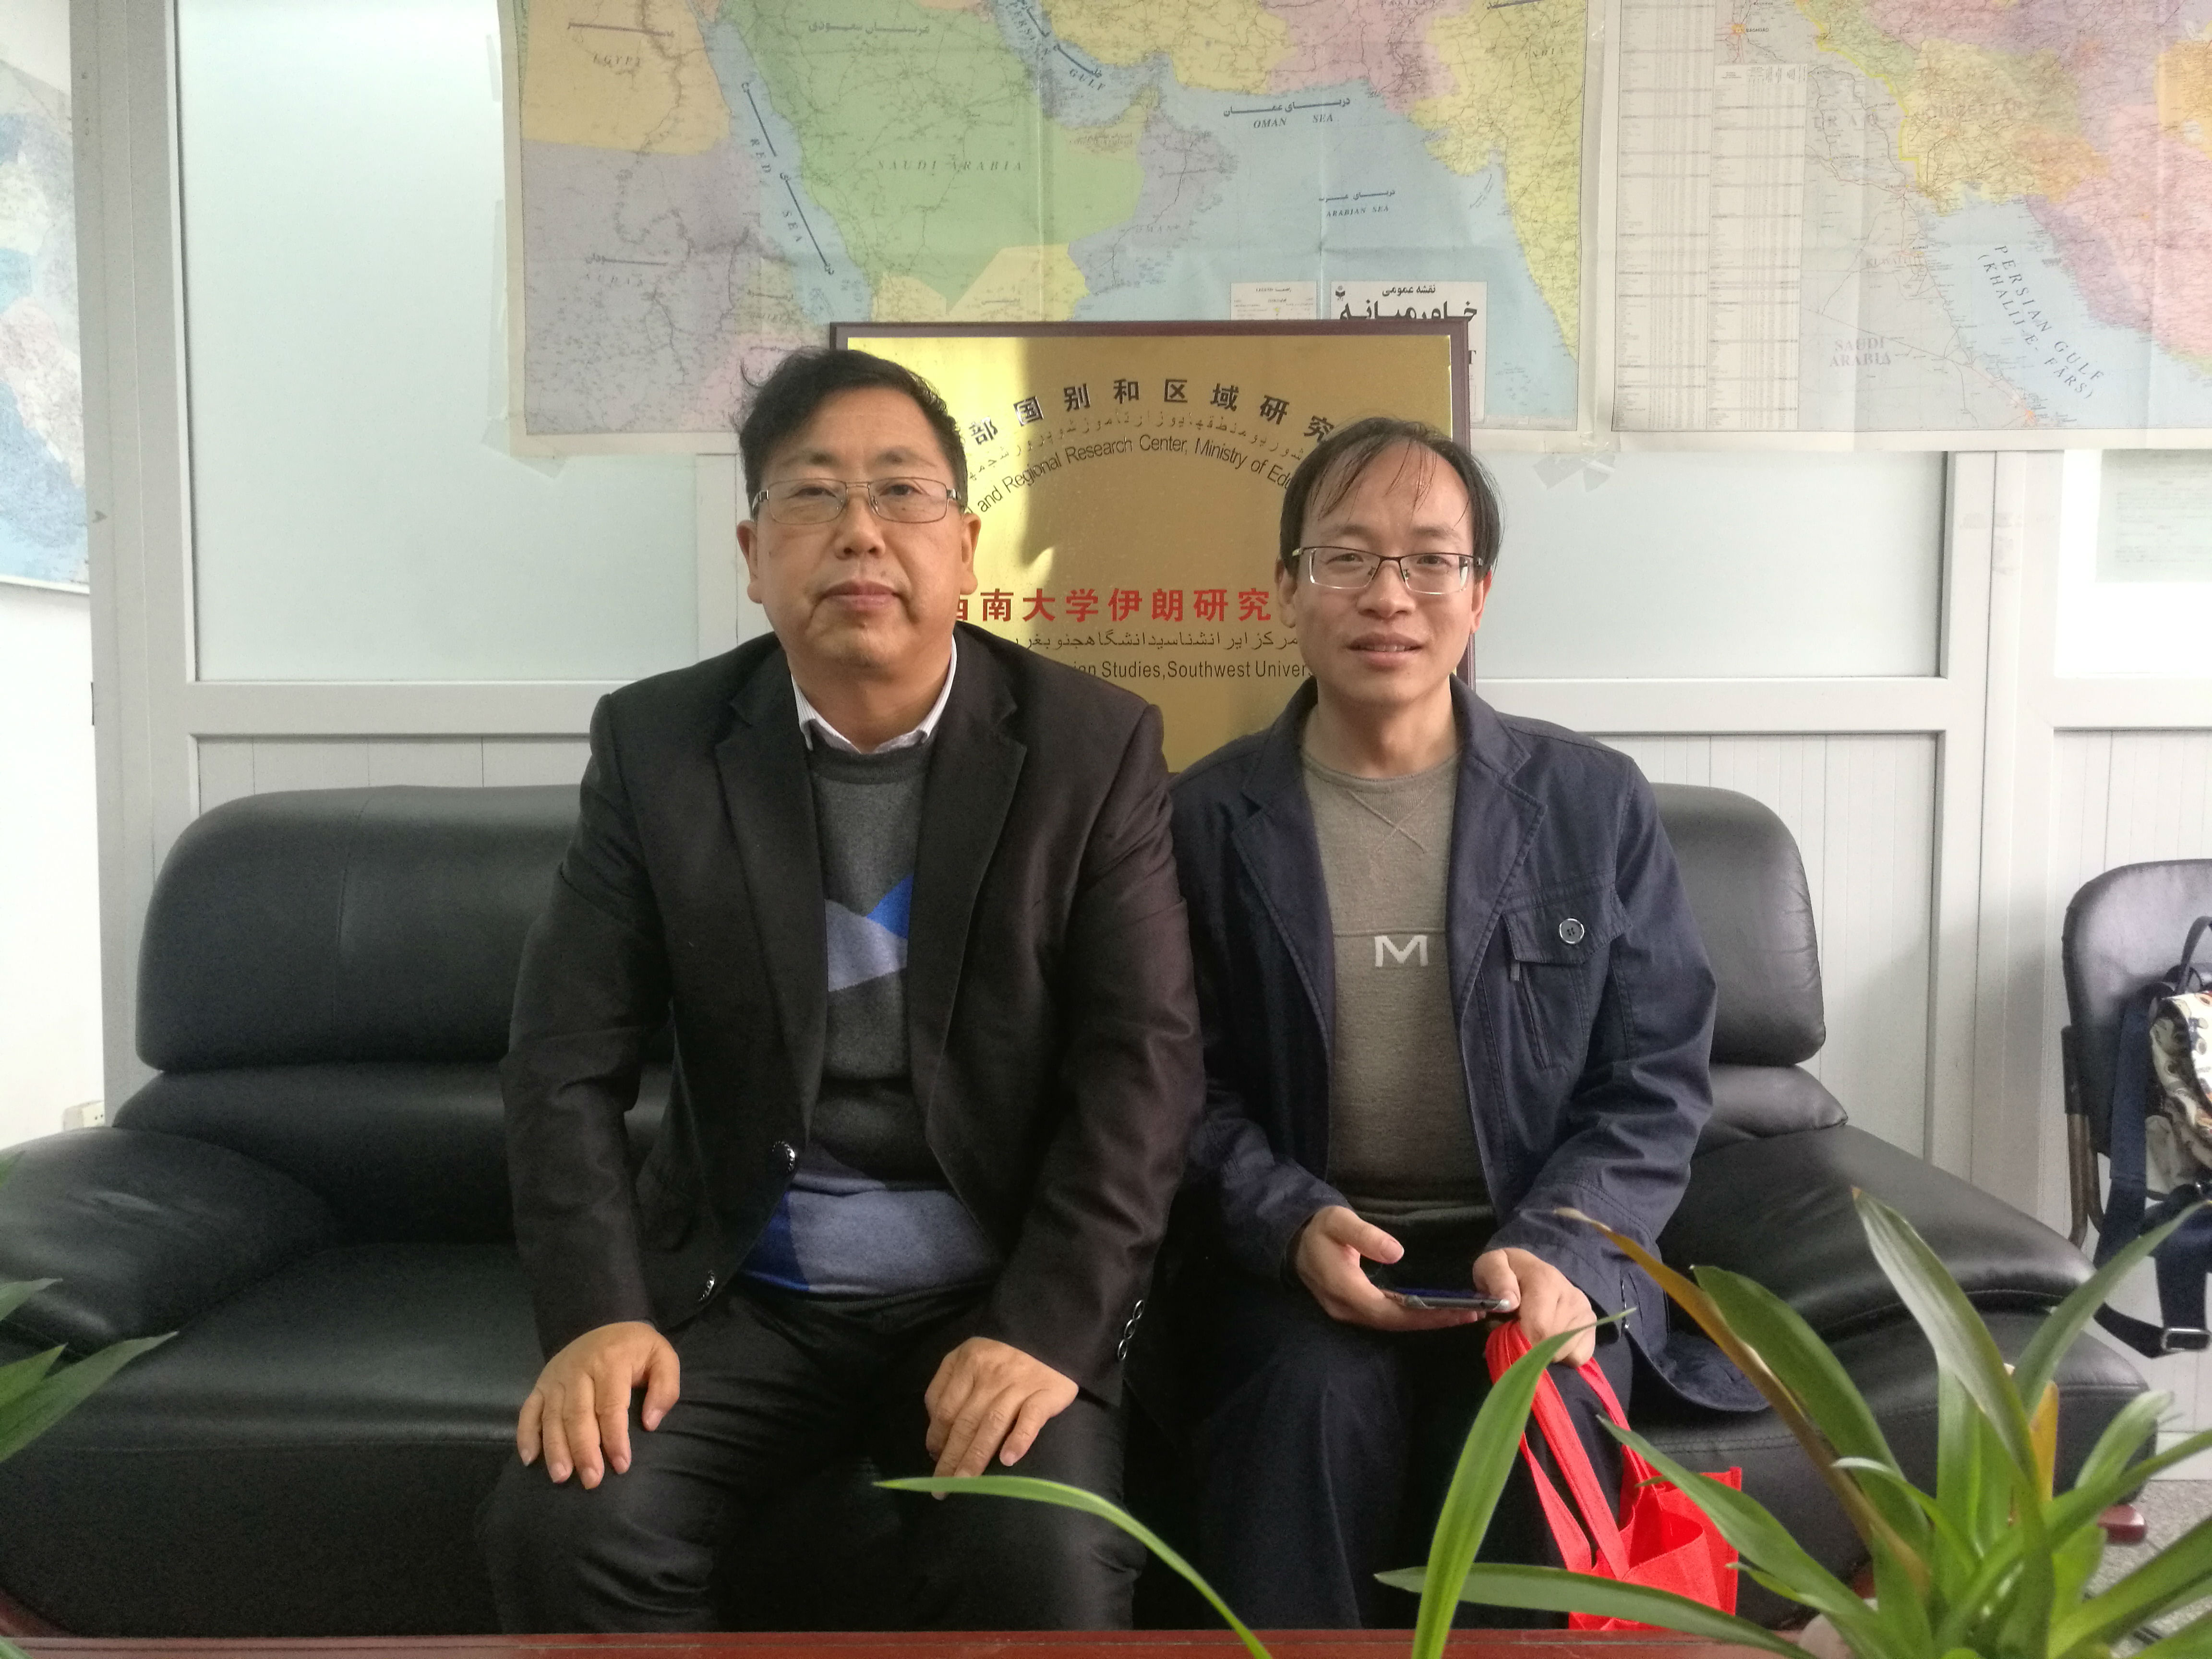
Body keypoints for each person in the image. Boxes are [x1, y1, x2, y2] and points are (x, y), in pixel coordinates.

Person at [479, 347, 1203, 1632]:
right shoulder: (658, 748)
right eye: (812, 495)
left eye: (901, 493)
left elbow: (1141, 1069)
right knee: (572, 1528)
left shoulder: (1091, 749)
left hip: (991, 1297)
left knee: (1044, 1570)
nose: (860, 531)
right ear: (753, 555)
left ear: (965, 547)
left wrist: (1044, 1327)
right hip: (748, 1295)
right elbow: (562, 1060)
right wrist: (597, 1316)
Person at [1165, 417, 1756, 1629]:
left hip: (1535, 1257)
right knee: (1298, 1422)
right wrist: (1288, 1222)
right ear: (1287, 589)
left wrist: (1565, 1250)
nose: (1390, 595)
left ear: (1478, 593)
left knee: (1533, 1427)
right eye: (1347, 558)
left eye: (1431, 561)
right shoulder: (1201, 822)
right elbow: (1179, 1087)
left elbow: (1653, 1079)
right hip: (1309, 1266)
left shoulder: (1590, 804)